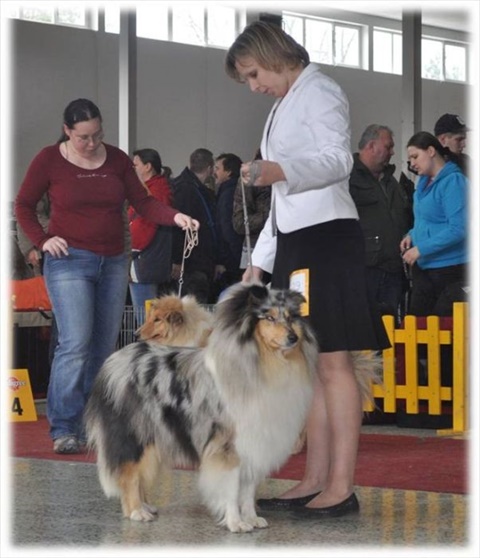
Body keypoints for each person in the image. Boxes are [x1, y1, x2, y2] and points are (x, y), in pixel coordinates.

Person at [225, 21, 390, 518]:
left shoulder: (321, 91)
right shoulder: (285, 102)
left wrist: (281, 170)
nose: (253, 86)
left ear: (272, 55)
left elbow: (338, 161)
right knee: (312, 366)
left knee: (334, 365)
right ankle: (315, 478)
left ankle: (341, 485)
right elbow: (282, 203)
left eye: (253, 74)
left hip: (327, 240)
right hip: (298, 242)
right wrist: (259, 264)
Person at [15, 98, 199, 455]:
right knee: (75, 343)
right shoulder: (48, 159)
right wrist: (42, 239)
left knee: (102, 345)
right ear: (67, 131)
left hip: (113, 261)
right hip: (68, 260)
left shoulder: (116, 159)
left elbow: (143, 202)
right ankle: (64, 427)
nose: (91, 143)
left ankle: (93, 422)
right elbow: (23, 205)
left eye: (97, 135)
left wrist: (175, 217)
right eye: (83, 137)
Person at [349, 124, 413, 324]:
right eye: (388, 146)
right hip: (364, 270)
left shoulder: (391, 180)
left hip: (394, 269)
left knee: (391, 328)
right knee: (363, 326)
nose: (392, 152)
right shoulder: (347, 177)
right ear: (371, 146)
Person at [400, 131, 468, 317]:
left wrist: (421, 248)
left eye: (415, 156)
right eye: (410, 158)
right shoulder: (422, 183)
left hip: (449, 269)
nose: (412, 163)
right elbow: (426, 219)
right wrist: (412, 234)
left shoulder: (454, 182)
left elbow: (459, 228)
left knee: (442, 326)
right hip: (425, 267)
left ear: (431, 151)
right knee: (417, 324)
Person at [128, 148, 174, 325]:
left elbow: (144, 227)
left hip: (144, 261)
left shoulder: (155, 192)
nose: (132, 169)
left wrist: (128, 251)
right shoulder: (155, 188)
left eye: (135, 165)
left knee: (147, 321)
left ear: (147, 167)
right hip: (147, 261)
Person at [170, 148, 218, 303]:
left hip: (193, 259)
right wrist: (178, 260)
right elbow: (179, 228)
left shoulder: (185, 186)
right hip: (192, 262)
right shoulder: (188, 189)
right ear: (210, 168)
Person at [232, 148, 272, 279]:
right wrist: (272, 217)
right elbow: (239, 223)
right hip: (255, 251)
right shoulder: (249, 179)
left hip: (284, 250)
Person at [213, 152, 244, 292]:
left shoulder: (228, 194)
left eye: (217, 168)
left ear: (229, 172)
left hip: (231, 259)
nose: (214, 172)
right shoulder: (236, 189)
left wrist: (223, 260)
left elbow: (226, 229)